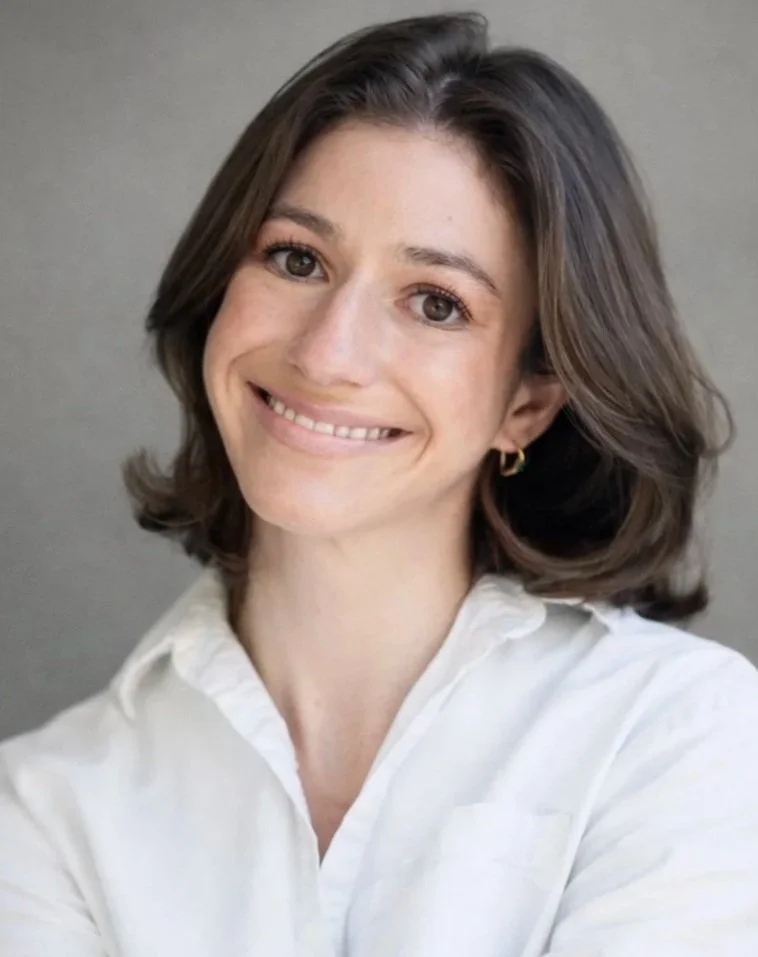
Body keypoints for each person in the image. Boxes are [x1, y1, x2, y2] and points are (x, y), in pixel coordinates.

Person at [2, 10, 757, 956]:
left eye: (436, 303)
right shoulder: (40, 811)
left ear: (526, 404)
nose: (329, 351)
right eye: (295, 258)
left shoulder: (675, 734)